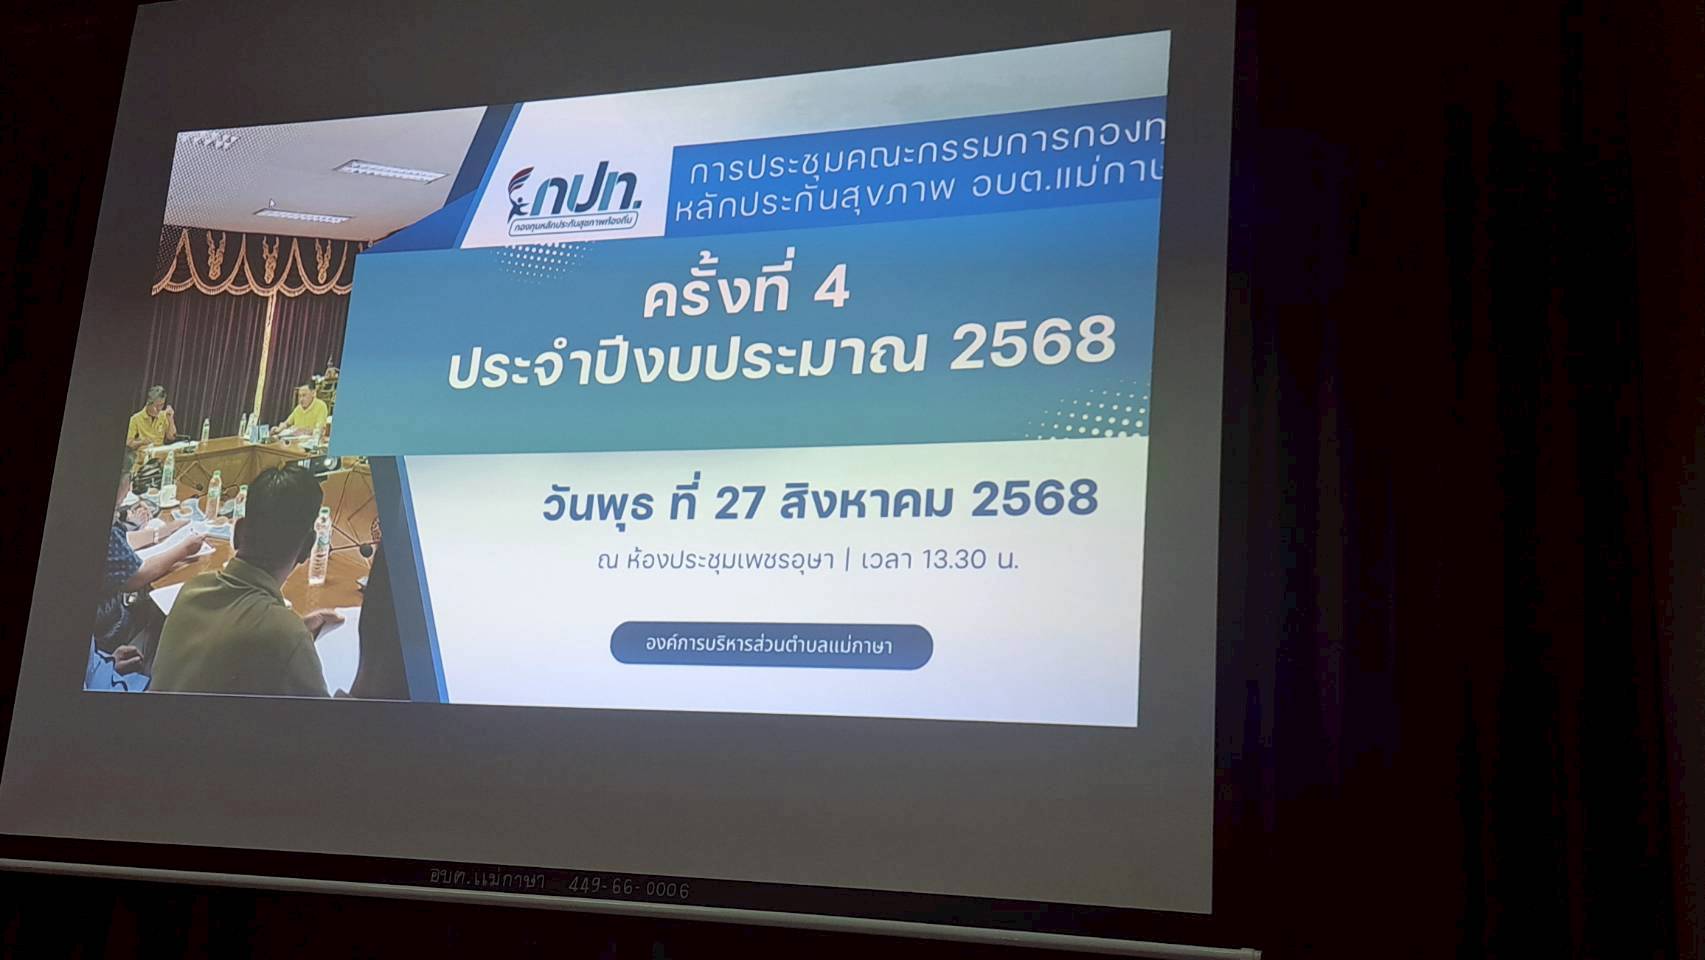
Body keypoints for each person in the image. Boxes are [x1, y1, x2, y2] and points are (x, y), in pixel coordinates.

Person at [148, 465, 343, 696]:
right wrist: (294, 637)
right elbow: (326, 717)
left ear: (238, 531)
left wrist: (296, 629)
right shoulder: (286, 636)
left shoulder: (192, 589)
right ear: (308, 548)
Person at [95, 448, 206, 663]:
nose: (130, 487)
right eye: (130, 478)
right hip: (110, 631)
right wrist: (183, 549)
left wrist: (162, 532)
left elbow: (123, 540)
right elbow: (136, 577)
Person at [126, 385, 177, 450]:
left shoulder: (164, 415)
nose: (159, 409)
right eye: (156, 406)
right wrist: (141, 442)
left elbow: (172, 437)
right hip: (144, 453)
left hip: (159, 452)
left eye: (162, 405)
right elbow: (129, 443)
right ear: (148, 403)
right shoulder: (136, 418)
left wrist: (171, 419)